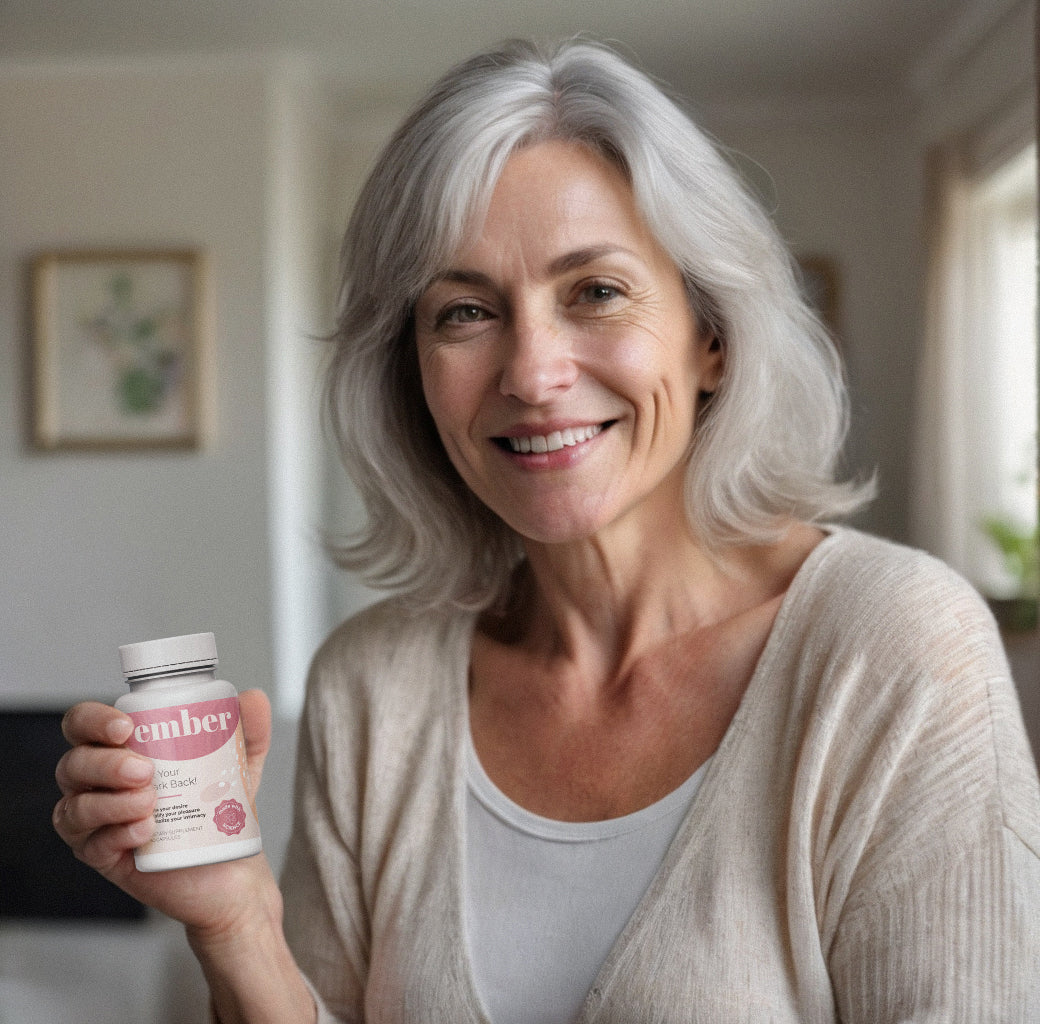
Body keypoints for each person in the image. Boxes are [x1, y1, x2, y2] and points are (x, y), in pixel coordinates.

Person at [54, 37, 1040, 1023]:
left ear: (710, 336)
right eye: (466, 311)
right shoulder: (372, 687)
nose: (530, 372)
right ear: (412, 374)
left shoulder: (894, 645)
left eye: (595, 291)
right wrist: (236, 928)